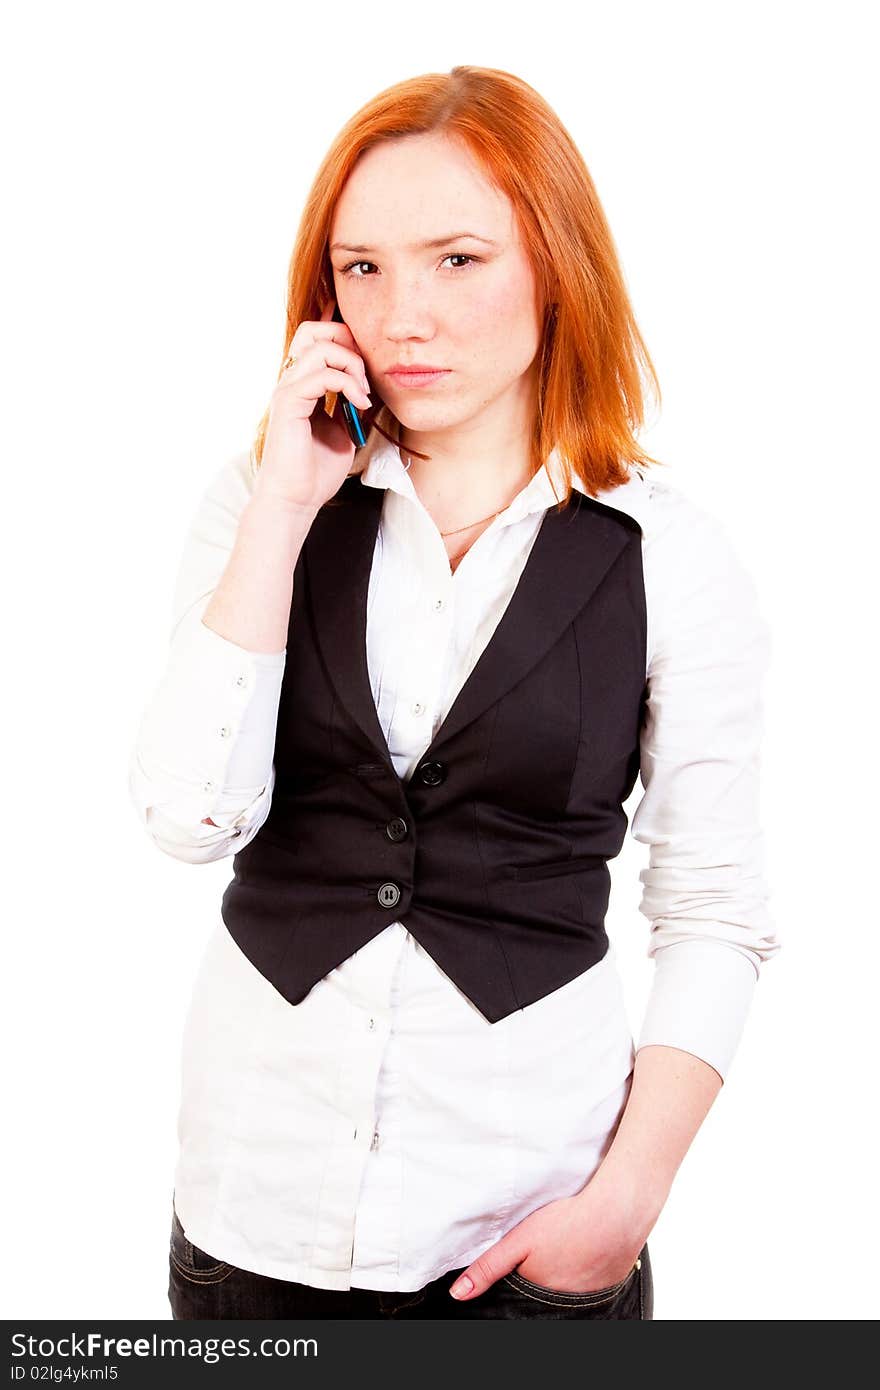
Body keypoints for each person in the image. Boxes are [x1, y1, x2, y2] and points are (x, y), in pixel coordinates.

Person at [128, 65, 779, 1321]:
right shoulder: (260, 505)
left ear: (556, 267)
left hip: (526, 1230)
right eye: (361, 268)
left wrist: (621, 1209)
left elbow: (715, 905)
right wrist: (281, 505)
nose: (402, 317)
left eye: (458, 259)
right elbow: (185, 820)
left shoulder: (668, 555)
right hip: (253, 1219)